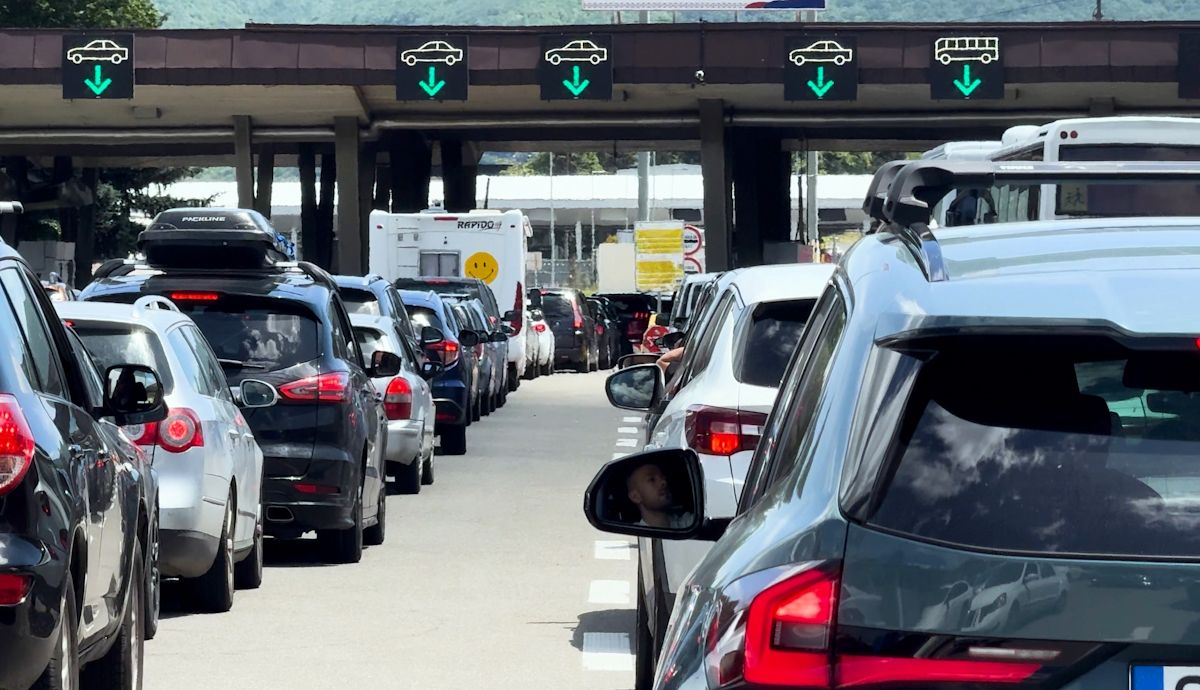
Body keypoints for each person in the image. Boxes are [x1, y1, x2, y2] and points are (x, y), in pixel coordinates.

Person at [626, 461, 694, 529]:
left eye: (664, 478)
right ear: (635, 497)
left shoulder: (689, 523)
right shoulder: (634, 533)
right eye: (652, 479)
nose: (664, 482)